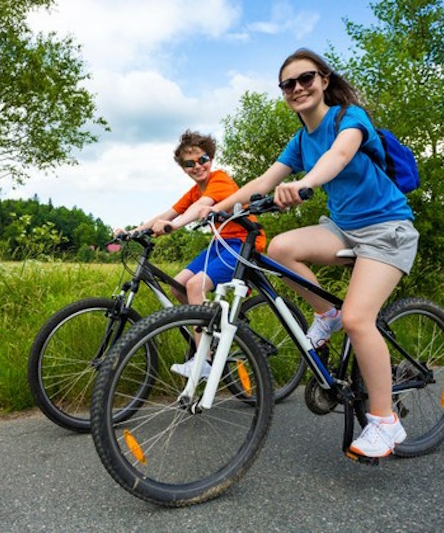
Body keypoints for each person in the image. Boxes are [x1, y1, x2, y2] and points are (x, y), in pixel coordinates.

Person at [201, 49, 419, 459]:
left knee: (359, 319)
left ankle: (386, 423)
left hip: (387, 229)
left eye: (306, 79)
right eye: (289, 84)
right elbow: (265, 180)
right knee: (280, 248)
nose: (298, 88)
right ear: (283, 93)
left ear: (323, 80)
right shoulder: (300, 139)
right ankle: (326, 314)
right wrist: (219, 208)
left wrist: (305, 185)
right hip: (344, 228)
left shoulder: (349, 117)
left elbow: (338, 156)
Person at [113, 130, 266, 379]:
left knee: (195, 285)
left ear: (211, 159)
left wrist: (175, 226)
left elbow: (198, 209)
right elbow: (168, 212)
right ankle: (212, 327)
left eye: (202, 159)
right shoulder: (194, 190)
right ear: (183, 168)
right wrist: (132, 232)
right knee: (178, 286)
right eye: (189, 163)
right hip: (220, 244)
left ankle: (203, 359)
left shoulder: (220, 180)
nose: (197, 166)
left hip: (243, 244)